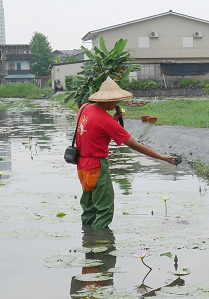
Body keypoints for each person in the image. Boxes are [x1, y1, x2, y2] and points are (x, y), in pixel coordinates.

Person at [75, 77, 178, 229]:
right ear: (108, 99)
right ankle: (101, 245)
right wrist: (162, 157)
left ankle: (88, 242)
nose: (117, 104)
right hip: (97, 167)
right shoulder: (107, 121)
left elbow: (92, 131)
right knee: (104, 210)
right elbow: (135, 146)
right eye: (115, 100)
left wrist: (110, 122)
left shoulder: (84, 108)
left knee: (88, 208)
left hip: (82, 165)